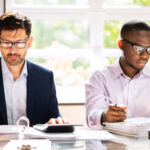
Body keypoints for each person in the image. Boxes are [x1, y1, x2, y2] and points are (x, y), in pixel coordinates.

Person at [0, 10, 68, 126]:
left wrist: (57, 122)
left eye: (19, 43)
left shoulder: (45, 78)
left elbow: (54, 118)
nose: (12, 51)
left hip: (34, 144)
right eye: (6, 43)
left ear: (29, 42)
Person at [85, 20, 150, 129]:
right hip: (110, 144)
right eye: (138, 48)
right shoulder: (99, 78)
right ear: (121, 45)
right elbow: (92, 114)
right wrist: (105, 116)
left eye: (148, 49)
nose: (144, 55)